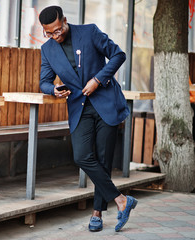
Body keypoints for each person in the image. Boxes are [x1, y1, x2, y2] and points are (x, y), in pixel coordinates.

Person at [38, 6, 137, 232]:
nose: (55, 36)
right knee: (82, 156)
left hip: (106, 103)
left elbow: (118, 54)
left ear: (64, 20)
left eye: (57, 30)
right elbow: (43, 80)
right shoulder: (47, 50)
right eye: (49, 33)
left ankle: (97, 213)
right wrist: (53, 89)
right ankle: (122, 200)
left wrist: (98, 80)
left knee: (103, 160)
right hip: (78, 107)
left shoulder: (89, 32)